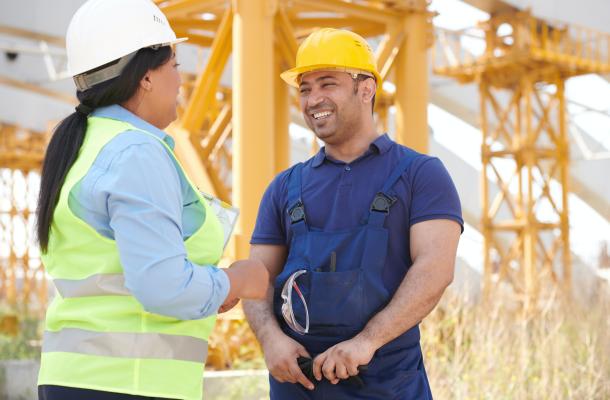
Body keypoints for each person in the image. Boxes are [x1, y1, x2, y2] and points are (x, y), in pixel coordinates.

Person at [35, 1, 268, 399]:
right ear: (145, 76)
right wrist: (238, 279)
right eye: (174, 65)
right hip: (129, 384)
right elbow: (161, 285)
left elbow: (126, 278)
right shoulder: (135, 152)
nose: (181, 80)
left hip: (78, 379)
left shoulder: (85, 146)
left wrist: (208, 289)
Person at [243, 28, 463, 399]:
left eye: (327, 84)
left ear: (366, 89)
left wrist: (366, 342)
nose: (314, 100)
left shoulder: (420, 174)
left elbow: (435, 269)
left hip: (386, 383)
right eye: (305, 88)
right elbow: (256, 278)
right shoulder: (284, 187)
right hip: (298, 384)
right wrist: (270, 339)